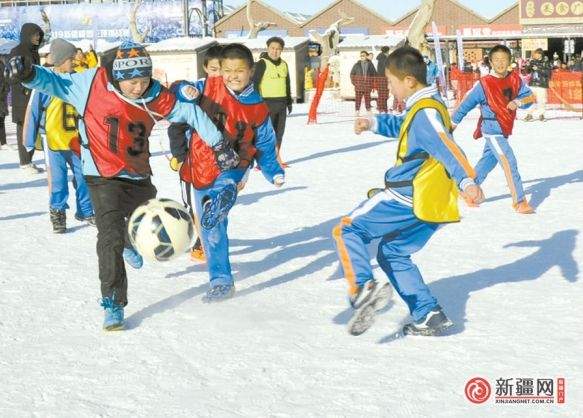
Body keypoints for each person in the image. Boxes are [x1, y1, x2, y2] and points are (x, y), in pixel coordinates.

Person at [6, 40, 223, 330]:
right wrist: (28, 74)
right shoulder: (92, 84)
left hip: (138, 175)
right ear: (119, 78)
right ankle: (113, 301)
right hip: (101, 174)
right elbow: (54, 82)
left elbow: (191, 114)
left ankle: (129, 239)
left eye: (144, 80)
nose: (138, 87)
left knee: (145, 222)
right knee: (108, 238)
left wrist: (219, 143)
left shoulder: (156, 95)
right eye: (132, 82)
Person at [334, 46, 482, 337]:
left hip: (406, 196)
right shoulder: (427, 106)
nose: (390, 87)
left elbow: (446, 146)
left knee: (347, 230)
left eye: (391, 82)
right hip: (431, 203)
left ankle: (363, 288)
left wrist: (467, 181)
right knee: (392, 253)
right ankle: (428, 314)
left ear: (409, 81)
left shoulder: (425, 112)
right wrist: (374, 122)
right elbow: (407, 127)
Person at [169, 43, 285, 303]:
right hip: (199, 166)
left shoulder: (258, 107)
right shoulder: (206, 87)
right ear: (220, 70)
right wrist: (182, 89)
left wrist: (273, 170)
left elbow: (265, 142)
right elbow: (176, 88)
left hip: (233, 165)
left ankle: (223, 198)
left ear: (251, 71)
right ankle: (219, 278)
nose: (233, 75)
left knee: (223, 192)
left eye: (239, 71)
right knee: (211, 230)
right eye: (228, 70)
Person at [452, 45, 536, 214]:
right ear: (490, 62)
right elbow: (465, 105)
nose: (500, 63)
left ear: (510, 61)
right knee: (509, 161)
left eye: (503, 59)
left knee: (488, 161)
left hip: (504, 128)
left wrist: (518, 102)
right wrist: (452, 124)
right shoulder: (484, 84)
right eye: (496, 59)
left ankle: (466, 190)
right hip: (492, 129)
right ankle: (519, 201)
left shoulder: (515, 79)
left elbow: (530, 97)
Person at [23, 39, 95, 233]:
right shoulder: (45, 84)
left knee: (84, 178)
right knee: (58, 181)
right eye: (71, 59)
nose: (74, 62)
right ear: (62, 60)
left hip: (77, 142)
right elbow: (33, 112)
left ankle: (86, 210)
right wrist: (29, 140)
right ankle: (58, 213)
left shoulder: (78, 80)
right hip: (54, 142)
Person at [168, 44, 223, 263]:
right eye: (214, 69)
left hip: (221, 161)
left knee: (218, 203)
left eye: (223, 69)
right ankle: (201, 242)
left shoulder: (233, 92)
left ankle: (213, 238)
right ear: (205, 69)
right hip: (192, 162)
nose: (219, 74)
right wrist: (180, 157)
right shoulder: (198, 89)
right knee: (195, 204)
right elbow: (176, 90)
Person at [8, 23, 45, 173]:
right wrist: (27, 82)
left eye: (39, 34)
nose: (38, 37)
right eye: (35, 34)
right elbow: (12, 75)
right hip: (22, 97)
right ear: (27, 35)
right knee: (24, 128)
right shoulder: (17, 51)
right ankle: (24, 162)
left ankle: (29, 159)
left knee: (33, 128)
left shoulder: (34, 52)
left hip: (34, 95)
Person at [253, 37, 292, 167]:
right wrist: (256, 103)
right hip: (266, 104)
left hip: (281, 104)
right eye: (273, 48)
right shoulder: (261, 63)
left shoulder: (284, 64)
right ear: (268, 48)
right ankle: (262, 161)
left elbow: (287, 83)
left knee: (279, 134)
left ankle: (275, 158)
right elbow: (255, 84)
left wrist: (289, 102)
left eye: (278, 49)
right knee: (266, 135)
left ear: (281, 50)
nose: (275, 51)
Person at [525, 48, 551, 122]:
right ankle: (529, 114)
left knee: (541, 100)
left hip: (542, 84)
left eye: (537, 54)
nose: (535, 55)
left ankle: (541, 114)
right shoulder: (532, 61)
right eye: (535, 54)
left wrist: (538, 69)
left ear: (540, 54)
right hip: (532, 83)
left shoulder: (546, 62)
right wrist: (527, 65)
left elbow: (548, 74)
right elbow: (526, 71)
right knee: (530, 99)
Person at [350, 51, 377, 115]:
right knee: (358, 99)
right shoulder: (357, 65)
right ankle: (357, 111)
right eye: (361, 55)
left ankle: (368, 110)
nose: (362, 57)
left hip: (368, 85)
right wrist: (354, 83)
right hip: (359, 86)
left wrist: (372, 83)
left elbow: (374, 74)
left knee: (367, 99)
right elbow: (352, 74)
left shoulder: (370, 64)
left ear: (366, 56)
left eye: (363, 55)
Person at [375, 46, 390, 113]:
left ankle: (383, 107)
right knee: (382, 93)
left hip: (383, 78)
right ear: (386, 51)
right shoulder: (383, 58)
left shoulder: (383, 58)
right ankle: (381, 108)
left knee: (384, 93)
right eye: (388, 51)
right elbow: (387, 68)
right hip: (382, 78)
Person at [0, 59, 9, 150]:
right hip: (2, 97)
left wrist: (5, 91)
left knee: (1, 120)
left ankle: (3, 142)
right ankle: (3, 142)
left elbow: (6, 81)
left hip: (1, 98)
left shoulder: (2, 65)